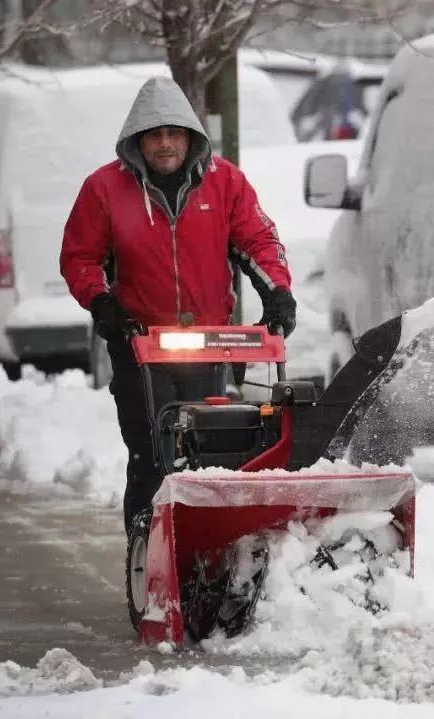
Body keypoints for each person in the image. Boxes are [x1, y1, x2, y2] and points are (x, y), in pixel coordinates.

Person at [60, 77, 296, 531]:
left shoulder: (225, 182)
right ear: (137, 141)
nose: (165, 144)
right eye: (154, 134)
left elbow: (259, 240)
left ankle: (210, 548)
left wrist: (277, 293)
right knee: (152, 456)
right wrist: (104, 304)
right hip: (138, 346)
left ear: (191, 135)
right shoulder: (104, 189)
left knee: (217, 450)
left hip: (210, 344)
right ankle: (148, 554)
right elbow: (80, 257)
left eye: (174, 133)